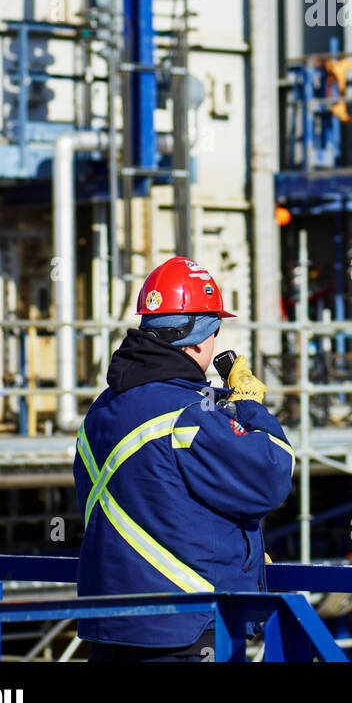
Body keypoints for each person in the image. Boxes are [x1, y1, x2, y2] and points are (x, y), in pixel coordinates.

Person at [73, 256, 295, 662]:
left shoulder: (101, 410)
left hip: (110, 624)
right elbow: (272, 474)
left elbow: (163, 496)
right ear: (197, 339)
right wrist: (248, 409)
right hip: (186, 627)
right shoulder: (189, 414)